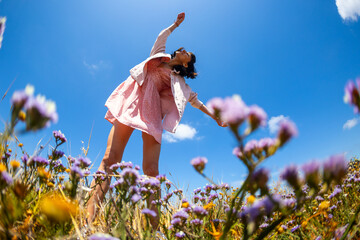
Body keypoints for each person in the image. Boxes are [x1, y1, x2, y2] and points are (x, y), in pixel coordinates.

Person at [86, 12, 227, 228]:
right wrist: (175, 25)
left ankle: (153, 229)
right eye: (183, 49)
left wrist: (215, 116)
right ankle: (88, 219)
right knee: (110, 158)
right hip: (132, 104)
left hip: (151, 116)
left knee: (151, 170)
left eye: (188, 53)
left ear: (188, 65)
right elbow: (160, 37)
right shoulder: (159, 56)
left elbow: (195, 102)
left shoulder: (182, 83)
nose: (184, 50)